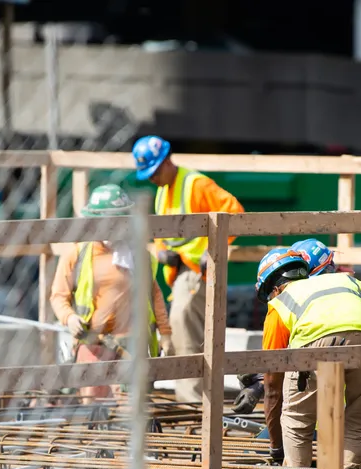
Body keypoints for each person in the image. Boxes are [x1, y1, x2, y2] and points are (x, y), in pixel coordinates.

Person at [132, 135, 244, 403]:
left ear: (168, 161)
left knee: (182, 321)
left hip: (200, 271)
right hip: (180, 273)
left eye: (155, 171)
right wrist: (161, 252)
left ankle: (192, 401)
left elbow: (234, 211)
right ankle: (197, 399)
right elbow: (160, 234)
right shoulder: (161, 192)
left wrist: (214, 248)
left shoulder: (196, 184)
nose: (152, 178)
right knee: (184, 328)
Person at [256, 246, 361, 469]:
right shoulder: (342, 281)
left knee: (297, 421)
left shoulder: (280, 302)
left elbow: (272, 384)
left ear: (275, 289)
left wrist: (276, 448)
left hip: (317, 343)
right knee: (360, 418)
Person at [51, 185, 174, 401]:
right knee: (94, 408)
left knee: (128, 408)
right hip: (92, 344)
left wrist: (165, 333)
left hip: (130, 346)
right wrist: (69, 318)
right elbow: (59, 296)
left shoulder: (137, 256)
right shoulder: (78, 254)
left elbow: (154, 296)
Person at [234, 238, 339, 414]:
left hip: (321, 408)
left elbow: (276, 368)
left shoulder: (286, 305)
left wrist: (262, 383)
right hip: (346, 406)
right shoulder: (345, 291)